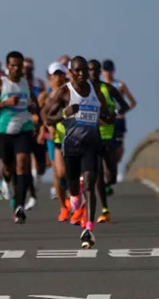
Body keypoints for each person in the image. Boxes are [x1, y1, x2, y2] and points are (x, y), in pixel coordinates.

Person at [45, 56, 113, 248]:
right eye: (78, 71)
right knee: (73, 189)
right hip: (72, 148)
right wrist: (65, 113)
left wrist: (108, 117)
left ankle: (88, 229)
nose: (82, 74)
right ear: (71, 73)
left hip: (92, 146)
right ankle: (74, 197)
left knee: (90, 184)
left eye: (85, 70)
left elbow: (108, 116)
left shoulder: (96, 92)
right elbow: (48, 118)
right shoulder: (64, 92)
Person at [0, 51, 39, 224]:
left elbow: (33, 102)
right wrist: (5, 103)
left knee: (22, 163)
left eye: (18, 65)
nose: (15, 69)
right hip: (4, 132)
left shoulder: (25, 83)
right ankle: (5, 181)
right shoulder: (0, 83)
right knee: (7, 168)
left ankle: (19, 206)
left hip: (23, 130)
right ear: (7, 66)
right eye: (12, 65)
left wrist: (35, 113)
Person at [88, 60, 130, 222]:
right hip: (91, 136)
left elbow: (125, 106)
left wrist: (115, 115)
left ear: (99, 71)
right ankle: (105, 209)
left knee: (110, 175)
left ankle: (108, 185)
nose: (92, 72)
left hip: (108, 136)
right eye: (89, 69)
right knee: (97, 173)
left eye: (95, 70)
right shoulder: (83, 91)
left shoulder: (108, 88)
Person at [41, 62, 71, 222]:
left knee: (69, 172)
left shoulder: (69, 93)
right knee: (59, 173)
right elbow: (42, 115)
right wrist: (47, 128)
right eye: (55, 75)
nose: (58, 78)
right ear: (49, 78)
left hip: (69, 136)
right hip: (54, 138)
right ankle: (63, 207)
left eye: (61, 74)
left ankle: (71, 200)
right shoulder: (46, 96)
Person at [101, 59, 137, 183]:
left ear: (114, 71)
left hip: (118, 121)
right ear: (102, 71)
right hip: (104, 121)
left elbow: (132, 102)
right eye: (106, 70)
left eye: (110, 70)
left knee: (116, 152)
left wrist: (122, 112)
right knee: (103, 149)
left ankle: (112, 170)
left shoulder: (119, 85)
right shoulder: (99, 86)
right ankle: (107, 176)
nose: (108, 73)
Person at [23, 58, 48, 209]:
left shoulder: (39, 84)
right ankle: (31, 195)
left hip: (38, 127)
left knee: (42, 165)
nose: (27, 72)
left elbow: (43, 107)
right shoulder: (17, 85)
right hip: (24, 128)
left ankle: (36, 178)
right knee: (25, 161)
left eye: (29, 69)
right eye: (24, 69)